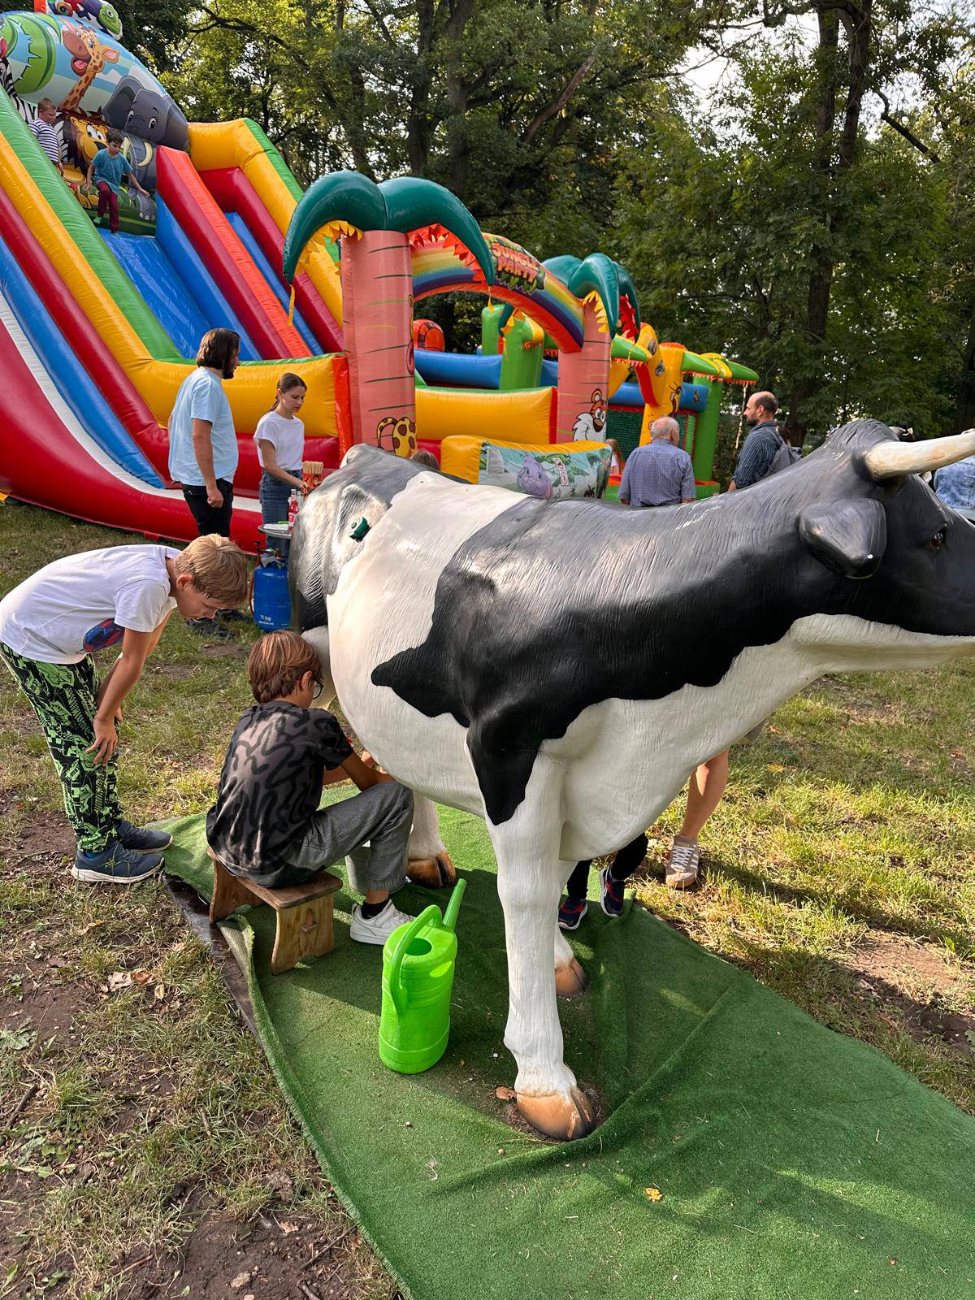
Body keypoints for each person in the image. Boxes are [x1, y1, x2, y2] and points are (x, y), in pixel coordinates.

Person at [0, 535, 248, 884]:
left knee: (101, 739)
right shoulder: (147, 585)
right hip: (32, 638)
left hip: (59, 642)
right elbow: (131, 659)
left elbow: (145, 648)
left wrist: (108, 700)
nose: (210, 614)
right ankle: (94, 854)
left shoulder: (177, 570)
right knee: (83, 747)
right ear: (186, 582)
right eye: (210, 605)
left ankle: (109, 825)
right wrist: (102, 716)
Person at [206, 631, 417, 945]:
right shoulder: (317, 722)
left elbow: (301, 774)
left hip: (230, 847)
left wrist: (361, 762)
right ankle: (376, 914)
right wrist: (404, 776)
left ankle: (378, 900)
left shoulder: (248, 719)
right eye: (316, 687)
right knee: (398, 797)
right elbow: (371, 786)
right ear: (306, 681)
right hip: (277, 863)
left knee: (388, 797)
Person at [556, 750, 729, 928]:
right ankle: (577, 897)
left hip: (633, 785)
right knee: (581, 845)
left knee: (635, 844)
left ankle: (615, 877)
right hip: (596, 778)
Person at [168, 328, 243, 637]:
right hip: (207, 482)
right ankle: (201, 618)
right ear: (223, 355)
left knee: (215, 546)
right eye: (236, 355)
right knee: (211, 553)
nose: (238, 362)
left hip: (200, 477)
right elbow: (199, 433)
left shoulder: (193, 379)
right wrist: (211, 484)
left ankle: (221, 606)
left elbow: (174, 421)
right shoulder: (208, 385)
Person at [254, 373, 308, 526]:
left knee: (295, 539)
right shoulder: (269, 423)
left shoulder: (299, 424)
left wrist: (302, 481)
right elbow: (269, 465)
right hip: (276, 485)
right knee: (276, 540)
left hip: (297, 480)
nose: (299, 402)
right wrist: (298, 482)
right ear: (280, 393)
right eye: (294, 397)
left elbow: (294, 458)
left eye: (302, 397)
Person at [618, 416, 695, 507]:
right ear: (673, 434)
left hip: (637, 516)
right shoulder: (682, 457)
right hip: (669, 517)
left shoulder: (636, 454)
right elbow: (688, 500)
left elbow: (624, 496)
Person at [85, 128, 148, 235]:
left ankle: (114, 229)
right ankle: (100, 215)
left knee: (114, 206)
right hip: (101, 179)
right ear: (108, 143)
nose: (118, 149)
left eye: (119, 147)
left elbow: (130, 174)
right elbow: (91, 167)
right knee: (105, 191)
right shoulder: (101, 154)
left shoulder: (122, 159)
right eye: (115, 146)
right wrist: (88, 181)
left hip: (114, 184)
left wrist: (140, 188)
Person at [728, 391, 783, 490]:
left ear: (760, 410)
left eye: (748, 408)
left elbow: (740, 482)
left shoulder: (757, 438)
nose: (745, 412)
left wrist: (724, 503)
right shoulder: (777, 435)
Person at [30, 99, 64, 176]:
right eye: (50, 115)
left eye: (54, 115)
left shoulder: (50, 128)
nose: (54, 117)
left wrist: (59, 162)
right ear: (41, 112)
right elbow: (30, 140)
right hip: (41, 160)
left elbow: (54, 147)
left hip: (51, 163)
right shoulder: (36, 124)